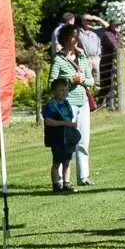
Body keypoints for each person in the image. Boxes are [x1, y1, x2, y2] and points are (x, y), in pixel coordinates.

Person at [49, 24, 96, 187]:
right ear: (66, 38)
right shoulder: (59, 60)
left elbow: (91, 81)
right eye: (73, 35)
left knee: (83, 141)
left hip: (83, 104)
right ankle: (61, 179)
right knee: (65, 142)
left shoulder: (81, 57)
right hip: (67, 107)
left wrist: (83, 81)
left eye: (77, 36)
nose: (77, 39)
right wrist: (70, 81)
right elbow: (51, 84)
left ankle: (83, 177)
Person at [42, 77, 81, 193]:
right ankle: (55, 184)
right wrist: (63, 123)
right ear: (54, 92)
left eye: (66, 90)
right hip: (57, 138)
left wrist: (71, 125)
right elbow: (47, 121)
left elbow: (69, 118)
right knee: (57, 162)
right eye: (61, 90)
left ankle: (66, 183)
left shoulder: (67, 104)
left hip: (67, 138)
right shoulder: (51, 106)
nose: (64, 92)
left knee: (67, 161)